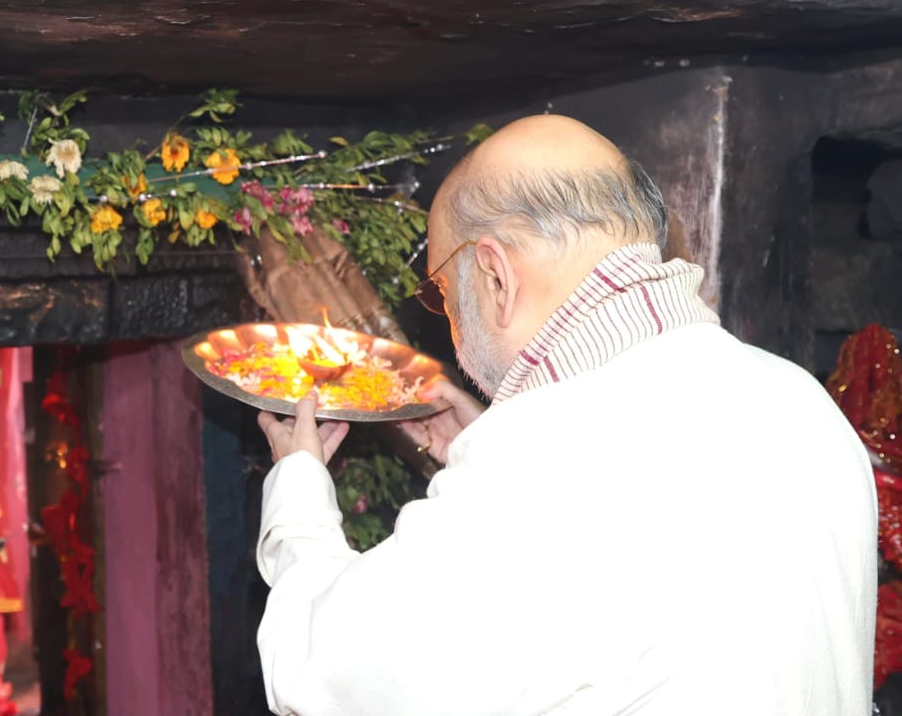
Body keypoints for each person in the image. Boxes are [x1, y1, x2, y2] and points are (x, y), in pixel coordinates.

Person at [255, 114, 877, 715]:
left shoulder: (538, 471)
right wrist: (492, 442)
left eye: (440, 292)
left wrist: (298, 489)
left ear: (496, 277)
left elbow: (318, 676)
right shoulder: (798, 397)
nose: (448, 318)